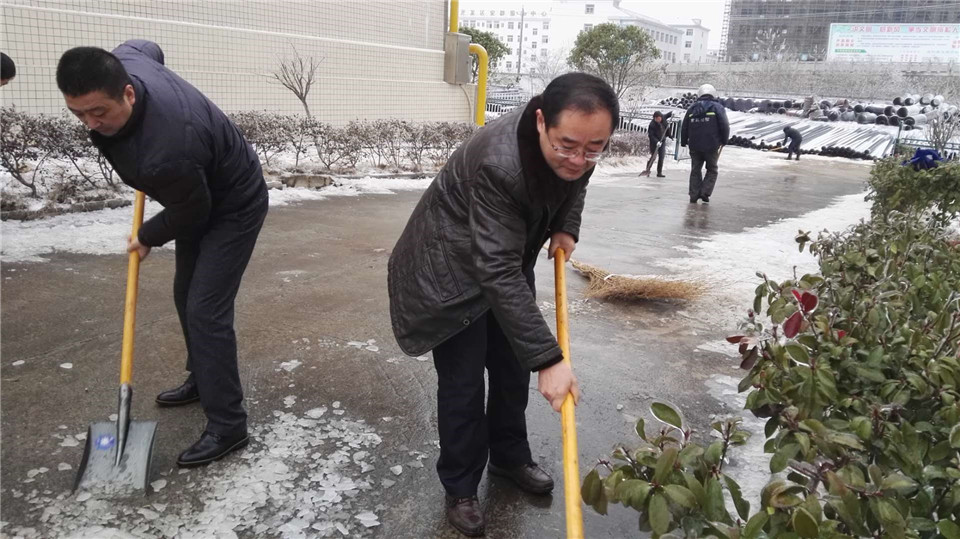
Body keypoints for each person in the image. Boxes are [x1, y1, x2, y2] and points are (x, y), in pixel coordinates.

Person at [387, 73, 616, 537]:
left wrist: (566, 224)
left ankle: (510, 458)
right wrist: (550, 359)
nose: (579, 159)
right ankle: (461, 486)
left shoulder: (578, 142)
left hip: (500, 261)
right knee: (463, 384)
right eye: (568, 146)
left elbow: (576, 180)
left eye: (595, 148)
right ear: (540, 122)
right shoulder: (500, 164)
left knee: (511, 369)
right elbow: (494, 269)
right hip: (448, 275)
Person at [56, 41, 268, 467]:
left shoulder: (168, 148)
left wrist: (148, 234)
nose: (91, 123)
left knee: (206, 310)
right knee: (184, 293)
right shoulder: (126, 61)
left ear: (128, 94)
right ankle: (202, 378)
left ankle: (229, 426)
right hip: (194, 188)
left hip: (232, 204)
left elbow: (194, 210)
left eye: (99, 112)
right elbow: (146, 46)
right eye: (79, 113)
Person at [681, 83, 729, 204]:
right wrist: (724, 140)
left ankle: (693, 195)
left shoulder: (692, 108)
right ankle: (704, 192)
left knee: (695, 170)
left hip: (694, 145)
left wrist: (683, 141)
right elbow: (724, 125)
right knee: (712, 169)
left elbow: (684, 126)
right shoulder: (717, 107)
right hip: (711, 145)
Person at [641, 110, 673, 178]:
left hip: (662, 140)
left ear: (661, 117)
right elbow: (651, 135)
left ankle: (659, 172)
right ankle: (647, 170)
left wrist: (672, 113)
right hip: (654, 142)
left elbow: (668, 114)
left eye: (659, 118)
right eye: (656, 119)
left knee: (661, 157)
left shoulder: (663, 118)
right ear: (654, 118)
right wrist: (656, 142)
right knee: (653, 157)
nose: (658, 120)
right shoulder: (652, 124)